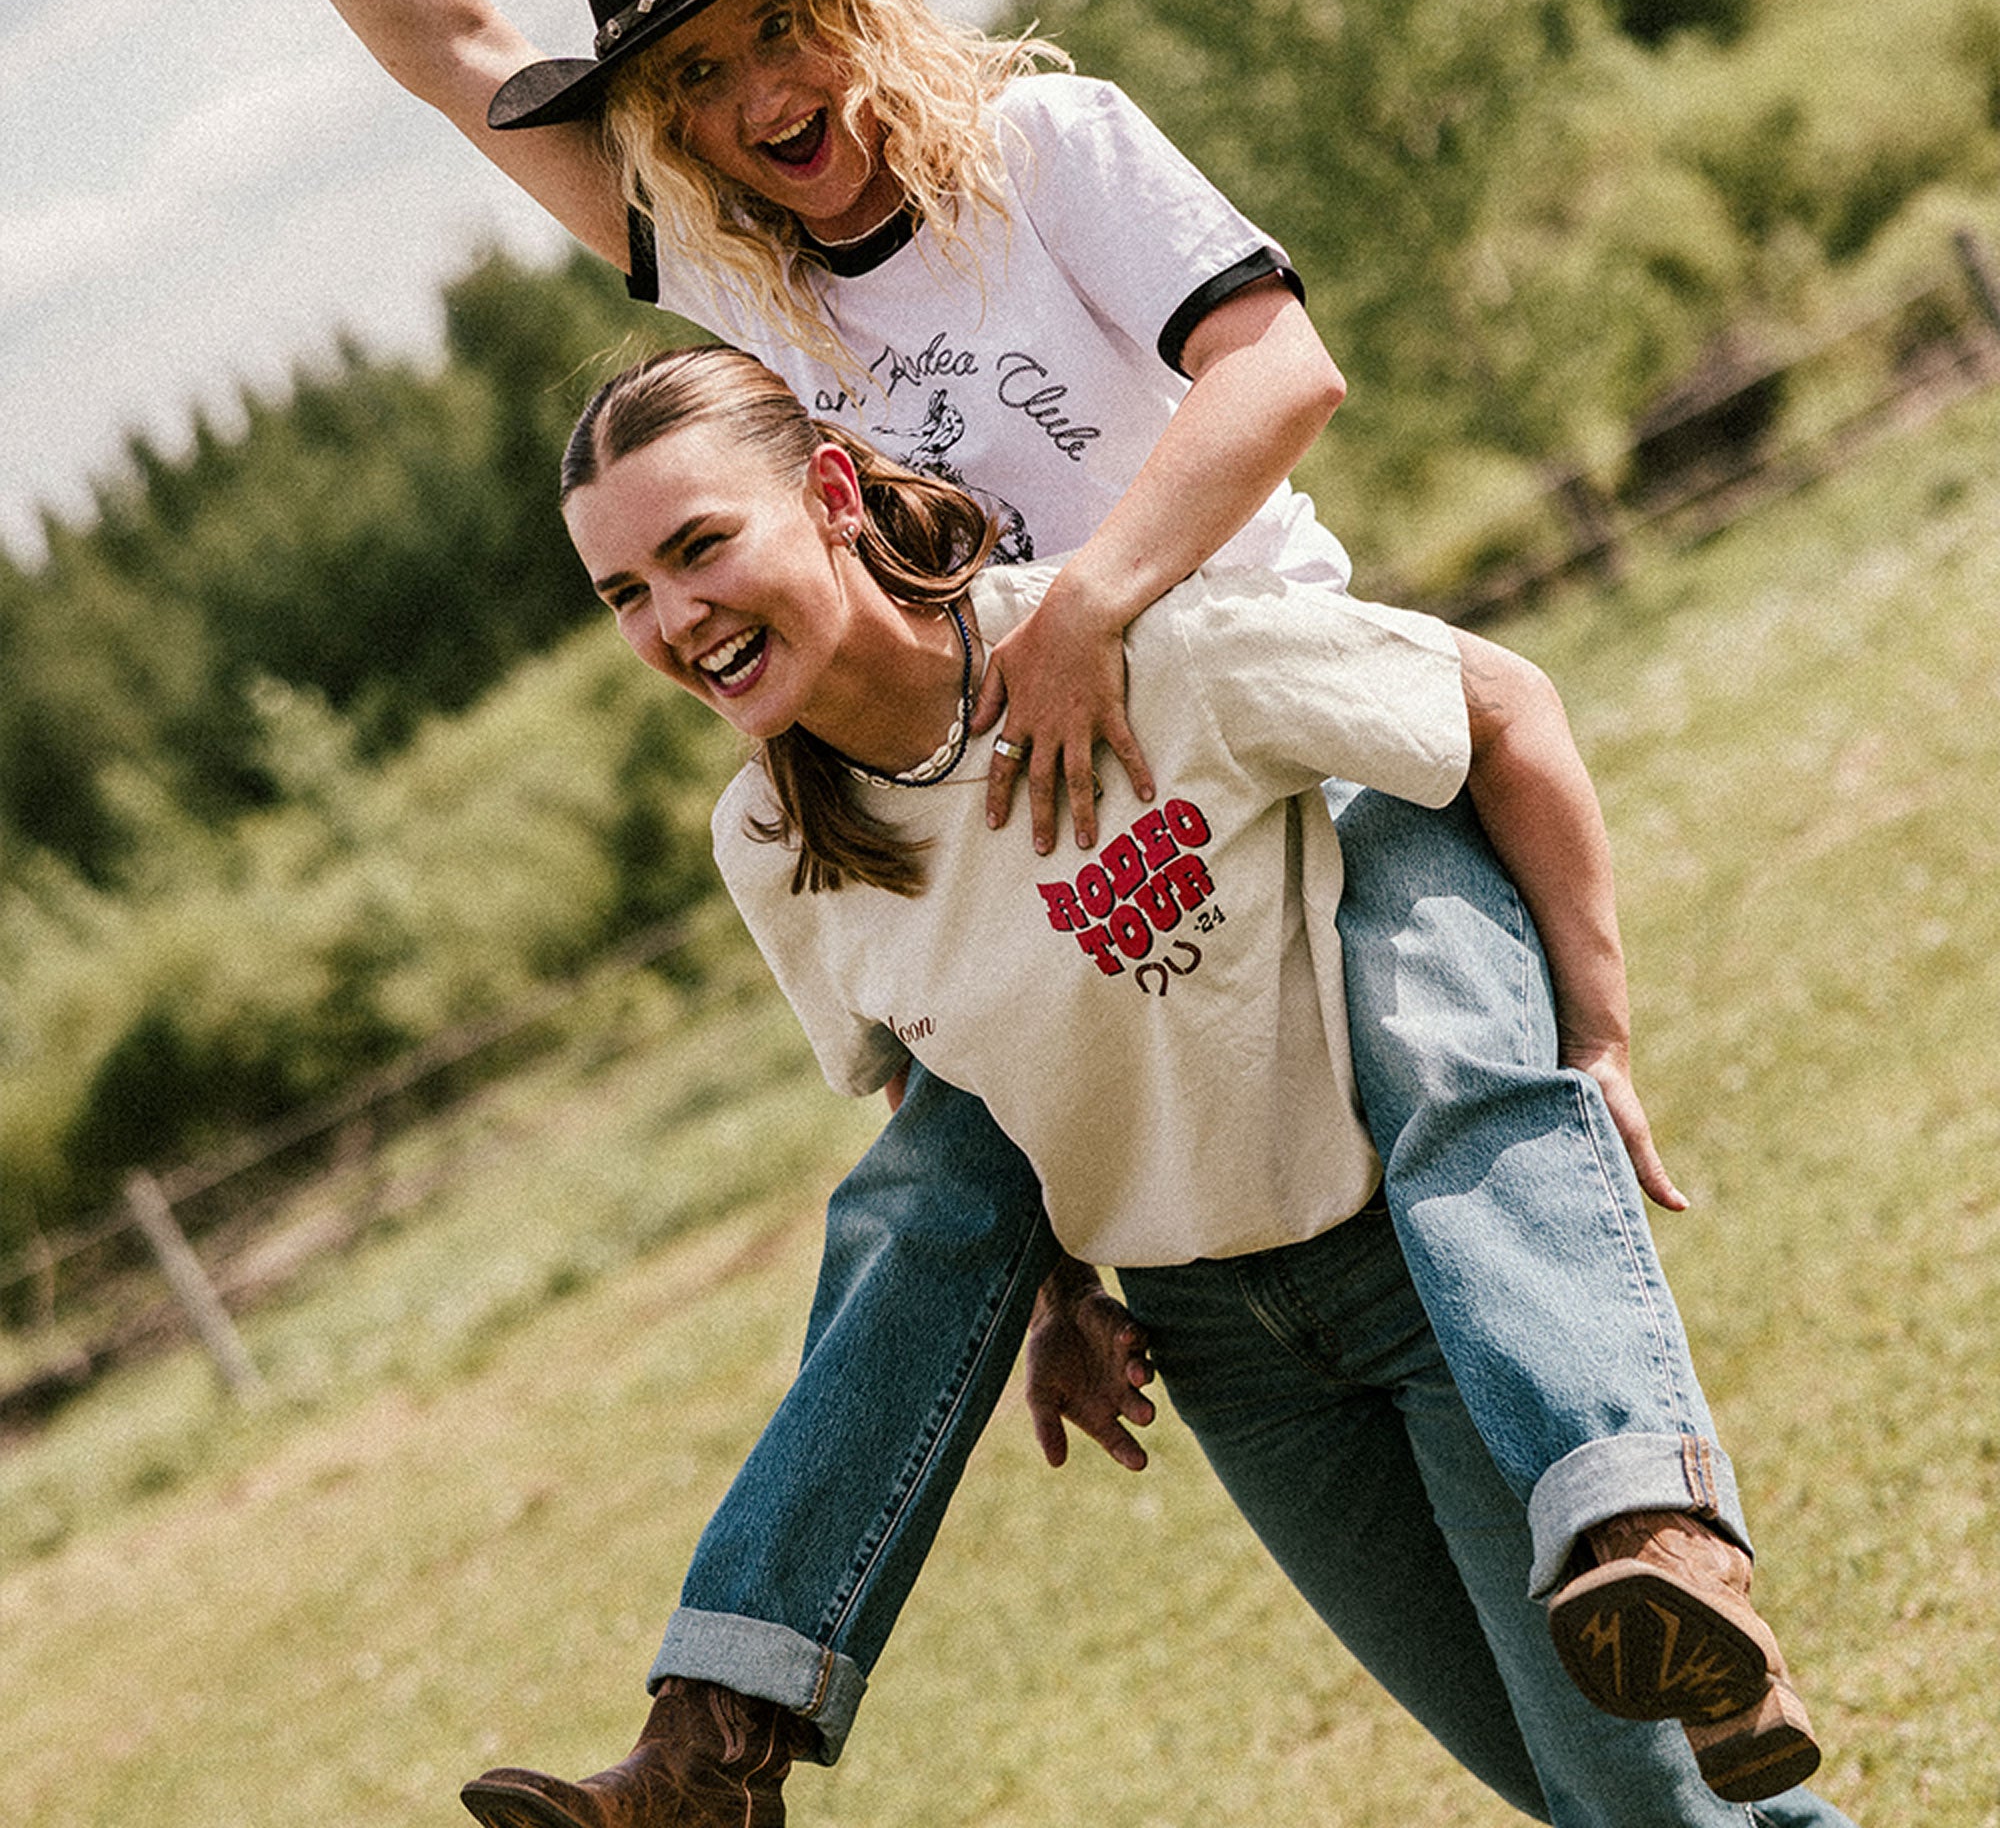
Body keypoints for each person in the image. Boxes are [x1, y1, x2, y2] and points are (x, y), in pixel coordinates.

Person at [205, 0, 1820, 1817]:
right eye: (689, 79)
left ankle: (1643, 1530)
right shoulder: (737, 268)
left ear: (862, 2)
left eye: (777, 34)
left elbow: (1279, 365)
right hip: (1011, 812)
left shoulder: (1049, 148)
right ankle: (717, 1741)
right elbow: (457, 50)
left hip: (1279, 726)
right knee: (931, 1187)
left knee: (1436, 1037)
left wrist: (1095, 601)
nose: (748, 98)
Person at [536, 342, 1855, 1826]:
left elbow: (1501, 707)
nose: (675, 619)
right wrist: (1056, 1303)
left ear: (832, 495)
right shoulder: (769, 843)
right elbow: (936, 1106)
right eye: (625, 594)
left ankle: (1661, 1525)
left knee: (1647, 1805)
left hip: (1431, 1283)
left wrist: (1596, 1038)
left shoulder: (1123, 644)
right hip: (1228, 1355)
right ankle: (710, 1745)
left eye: (699, 547)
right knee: (1605, 1795)